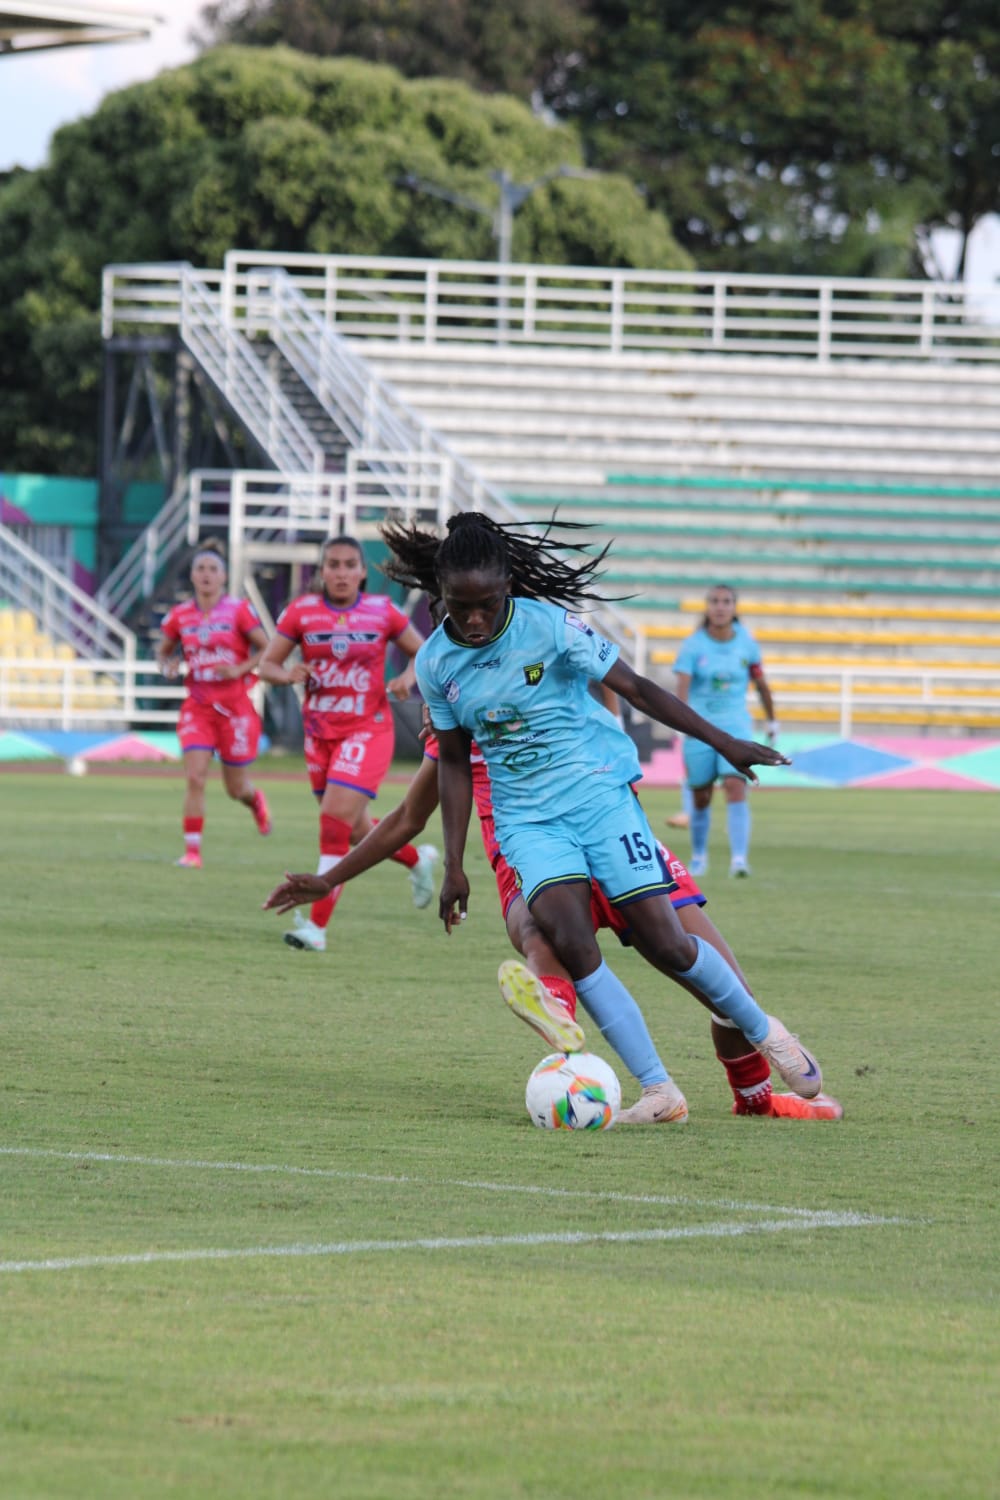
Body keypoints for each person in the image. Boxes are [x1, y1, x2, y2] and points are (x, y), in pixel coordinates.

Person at [375, 510, 826, 1123]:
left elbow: (637, 688)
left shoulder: (551, 627)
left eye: (485, 605)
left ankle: (768, 1033)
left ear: (507, 585)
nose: (474, 620)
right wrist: (454, 865)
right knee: (572, 941)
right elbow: (452, 763)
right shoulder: (436, 663)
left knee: (668, 942)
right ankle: (660, 1090)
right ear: (441, 596)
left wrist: (724, 742)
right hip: (528, 821)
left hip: (599, 798)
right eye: (460, 607)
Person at [263, 735, 842, 1122]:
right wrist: (330, 879)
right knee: (539, 931)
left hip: (611, 837)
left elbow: (620, 705)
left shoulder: (552, 672)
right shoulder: (457, 719)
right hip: (531, 856)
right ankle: (563, 1014)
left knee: (720, 987)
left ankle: (756, 1098)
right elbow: (408, 817)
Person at [257, 534, 436, 952]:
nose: (341, 573)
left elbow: (424, 652)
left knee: (333, 823)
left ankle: (316, 928)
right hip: (320, 736)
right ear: (322, 571)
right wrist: (287, 674)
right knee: (356, 832)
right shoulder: (302, 612)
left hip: (367, 730)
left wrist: (407, 678)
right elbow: (267, 665)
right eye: (333, 565)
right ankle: (418, 860)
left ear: (361, 572)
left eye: (349, 565)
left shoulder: (382, 611)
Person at [156, 538, 271, 868]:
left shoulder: (238, 610)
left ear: (223, 576)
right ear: (192, 575)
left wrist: (239, 668)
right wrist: (167, 665)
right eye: (200, 568)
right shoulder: (180, 615)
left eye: (213, 569)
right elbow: (163, 652)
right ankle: (192, 852)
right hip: (198, 707)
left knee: (236, 788)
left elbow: (267, 647)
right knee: (195, 777)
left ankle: (254, 800)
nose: (206, 574)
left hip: (234, 708)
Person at [673, 584, 778, 878]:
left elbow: (761, 683)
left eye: (726, 601)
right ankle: (699, 857)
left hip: (736, 726)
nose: (720, 607)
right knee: (701, 795)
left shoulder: (747, 643)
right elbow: (681, 689)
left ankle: (739, 860)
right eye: (715, 601)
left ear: (734, 607)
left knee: (735, 785)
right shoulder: (693, 645)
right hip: (700, 728)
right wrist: (682, 723)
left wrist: (772, 721)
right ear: (707, 607)